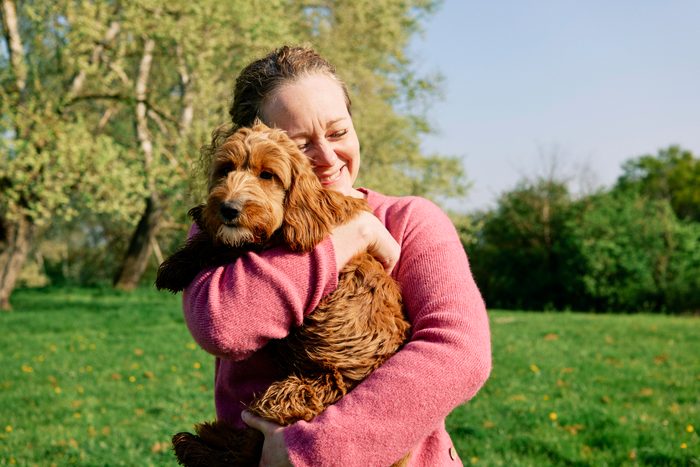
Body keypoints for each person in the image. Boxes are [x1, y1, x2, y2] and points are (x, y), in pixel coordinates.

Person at [183, 45, 491, 466]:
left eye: (338, 132)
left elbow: (460, 352)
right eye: (300, 143)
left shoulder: (409, 220)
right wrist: (348, 236)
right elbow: (223, 325)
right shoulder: (228, 224)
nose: (327, 158)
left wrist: (313, 451)